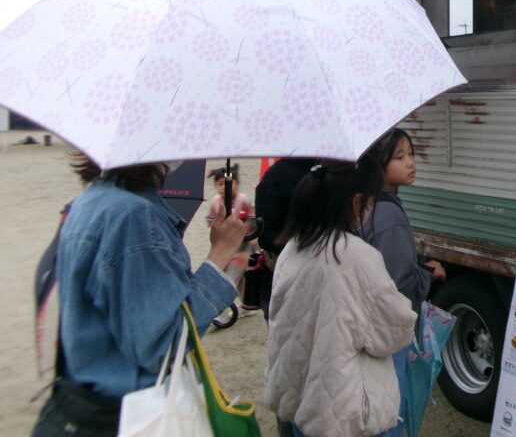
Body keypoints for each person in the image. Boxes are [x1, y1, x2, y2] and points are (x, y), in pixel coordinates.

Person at [32, 155, 245, 437]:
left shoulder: (95, 198)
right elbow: (161, 344)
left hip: (84, 399)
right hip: (125, 415)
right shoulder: (133, 216)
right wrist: (221, 252)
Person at [264, 157, 417, 437]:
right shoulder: (357, 256)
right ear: (357, 202)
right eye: (371, 202)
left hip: (301, 405)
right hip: (346, 413)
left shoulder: (292, 248)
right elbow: (395, 332)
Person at [361, 128, 446, 437]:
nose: (411, 162)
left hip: (369, 326)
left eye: (411, 154)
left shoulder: (369, 203)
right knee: (391, 413)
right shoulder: (388, 213)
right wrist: (426, 275)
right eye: (399, 157)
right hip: (387, 331)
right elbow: (398, 283)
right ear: (378, 165)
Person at [255, 157, 316, 319]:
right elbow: (266, 234)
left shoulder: (274, 175)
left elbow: (264, 233)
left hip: (285, 270)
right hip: (287, 271)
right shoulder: (336, 173)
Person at [206, 166, 258, 314]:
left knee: (234, 275)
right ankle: (246, 304)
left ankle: (224, 309)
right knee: (227, 274)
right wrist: (213, 221)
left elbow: (252, 218)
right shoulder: (216, 201)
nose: (224, 188)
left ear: (237, 183)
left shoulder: (243, 200)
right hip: (225, 244)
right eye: (220, 184)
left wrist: (245, 227)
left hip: (243, 245)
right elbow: (211, 217)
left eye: (228, 184)